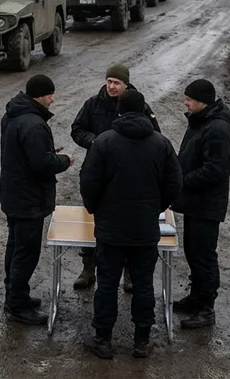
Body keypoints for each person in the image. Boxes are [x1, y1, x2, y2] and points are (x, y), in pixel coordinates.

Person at [78, 90, 182, 359]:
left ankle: (102, 339)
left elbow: (89, 181)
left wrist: (95, 208)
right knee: (143, 283)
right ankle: (142, 341)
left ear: (119, 111)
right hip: (145, 228)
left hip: (110, 228)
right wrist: (156, 207)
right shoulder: (161, 144)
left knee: (107, 283)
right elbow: (174, 184)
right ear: (145, 111)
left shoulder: (103, 142)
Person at [69, 64, 160, 290]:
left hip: (129, 176)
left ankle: (129, 273)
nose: (111, 86)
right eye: (109, 81)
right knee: (92, 219)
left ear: (125, 84)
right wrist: (94, 141)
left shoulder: (139, 105)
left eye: (116, 83)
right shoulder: (92, 104)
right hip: (98, 172)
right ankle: (88, 267)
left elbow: (155, 135)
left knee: (126, 225)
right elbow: (77, 129)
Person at [0, 74, 74, 325]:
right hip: (29, 198)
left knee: (15, 246)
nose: (53, 98)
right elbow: (42, 164)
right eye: (50, 94)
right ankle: (17, 304)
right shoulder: (34, 124)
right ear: (39, 95)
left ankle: (15, 293)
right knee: (26, 252)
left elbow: (24, 153)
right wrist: (65, 160)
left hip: (13, 193)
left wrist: (45, 152)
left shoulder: (12, 116)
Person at [171, 78, 230, 329]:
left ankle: (206, 307)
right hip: (195, 202)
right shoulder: (200, 122)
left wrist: (182, 181)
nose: (185, 102)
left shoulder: (218, 129)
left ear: (202, 102)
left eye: (189, 99)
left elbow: (216, 171)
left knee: (204, 256)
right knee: (193, 252)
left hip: (206, 204)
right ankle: (196, 297)